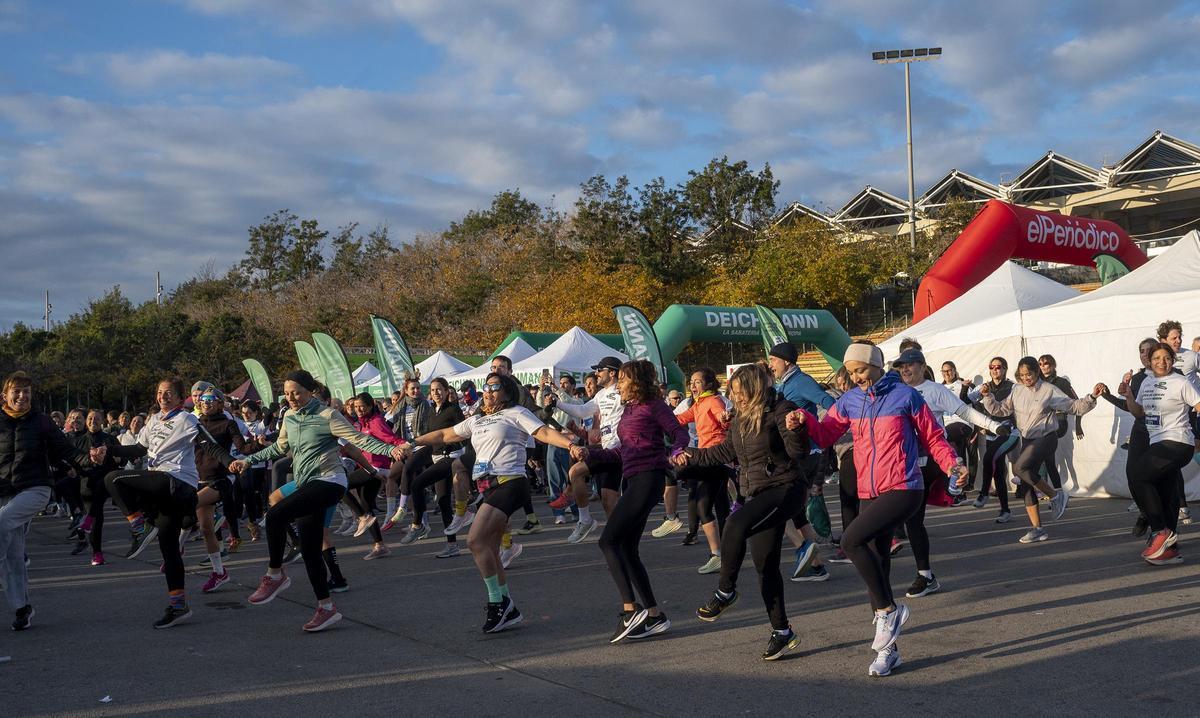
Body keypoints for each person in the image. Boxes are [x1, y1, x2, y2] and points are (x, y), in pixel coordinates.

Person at [786, 343, 968, 677]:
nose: (856, 378)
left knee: (852, 541)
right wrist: (804, 420)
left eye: (861, 370)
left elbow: (933, 437)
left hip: (904, 486)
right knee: (877, 566)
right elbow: (826, 435)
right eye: (851, 372)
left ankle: (889, 610)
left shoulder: (906, 396)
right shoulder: (850, 401)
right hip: (869, 491)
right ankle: (889, 651)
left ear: (877, 366)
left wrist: (952, 462)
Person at [228, 371, 406, 632]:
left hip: (330, 481)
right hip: (306, 485)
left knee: (276, 514)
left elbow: (359, 440)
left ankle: (275, 575)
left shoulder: (327, 415)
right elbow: (279, 448)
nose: (291, 398)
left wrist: (391, 449)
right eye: (287, 393)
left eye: (296, 393)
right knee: (311, 551)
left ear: (310, 391)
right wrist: (249, 460)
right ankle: (326, 607)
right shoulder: (288, 416)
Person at [400, 373, 578, 633]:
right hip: (487, 486)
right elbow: (444, 434)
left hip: (511, 482)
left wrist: (569, 445)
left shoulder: (516, 412)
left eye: (495, 388)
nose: (489, 392)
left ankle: (498, 603)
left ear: (507, 392)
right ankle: (507, 607)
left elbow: (544, 432)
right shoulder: (477, 420)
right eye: (486, 387)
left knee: (475, 541)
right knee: (491, 549)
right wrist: (413, 442)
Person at [680, 364, 810, 660]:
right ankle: (782, 631)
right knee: (766, 565)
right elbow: (725, 452)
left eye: (740, 393)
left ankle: (726, 591)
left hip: (785, 488)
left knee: (735, 524)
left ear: (754, 389)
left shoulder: (780, 409)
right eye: (733, 393)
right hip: (758, 491)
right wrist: (692, 456)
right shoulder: (740, 417)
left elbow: (798, 452)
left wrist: (797, 429)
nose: (735, 398)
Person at [103, 377, 239, 628]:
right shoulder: (153, 420)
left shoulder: (187, 419)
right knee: (169, 549)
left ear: (179, 397)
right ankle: (178, 606)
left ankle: (139, 526)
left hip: (176, 482)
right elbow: (137, 451)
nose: (163, 397)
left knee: (114, 479)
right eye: (159, 392)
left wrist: (230, 461)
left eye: (169, 393)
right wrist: (108, 449)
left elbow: (210, 446)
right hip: (162, 488)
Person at [892, 349, 1008, 595]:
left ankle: (952, 481)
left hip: (933, 457)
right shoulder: (895, 391)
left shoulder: (935, 390)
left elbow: (964, 411)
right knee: (912, 521)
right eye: (901, 366)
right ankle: (926, 575)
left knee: (913, 516)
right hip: (906, 462)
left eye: (910, 365)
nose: (905, 370)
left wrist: (994, 425)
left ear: (923, 367)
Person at [592, 360, 689, 643]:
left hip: (649, 478)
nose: (618, 384)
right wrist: (589, 453)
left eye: (622, 379)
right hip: (634, 478)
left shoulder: (654, 406)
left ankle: (629, 610)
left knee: (608, 541)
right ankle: (655, 615)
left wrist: (679, 449)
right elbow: (622, 453)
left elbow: (678, 432)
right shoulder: (629, 410)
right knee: (627, 548)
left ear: (635, 382)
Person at [0, 371, 92, 630]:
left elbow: (67, 451)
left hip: (35, 489)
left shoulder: (41, 422)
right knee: (13, 555)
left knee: (1, 523)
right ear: (4, 396)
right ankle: (22, 608)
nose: (21, 396)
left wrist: (90, 458)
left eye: (26, 391)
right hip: (4, 493)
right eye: (16, 391)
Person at [978, 356, 1102, 543]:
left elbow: (1074, 406)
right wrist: (988, 396)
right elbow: (1001, 410)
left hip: (1046, 438)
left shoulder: (1049, 390)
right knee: (1026, 484)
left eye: (1029, 374)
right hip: (1027, 439)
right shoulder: (1017, 390)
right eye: (1022, 375)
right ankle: (1037, 529)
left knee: (1019, 469)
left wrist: (1092, 397)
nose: (1026, 378)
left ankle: (1056, 495)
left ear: (1037, 372)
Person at [1124, 342, 1200, 565]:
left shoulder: (1180, 382)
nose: (1161, 362)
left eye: (1166, 358)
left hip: (1177, 442)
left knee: (1138, 475)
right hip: (1158, 442)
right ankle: (1170, 550)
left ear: (1172, 360)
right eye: (1156, 358)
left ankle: (1160, 531)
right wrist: (1129, 395)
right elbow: (1139, 411)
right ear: (1150, 360)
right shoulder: (1147, 382)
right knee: (1165, 492)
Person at [550, 356, 626, 543]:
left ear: (612, 373)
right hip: (605, 447)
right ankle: (618, 539)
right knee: (608, 500)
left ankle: (585, 519)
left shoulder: (624, 391)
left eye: (600, 370)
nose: (597, 373)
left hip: (617, 449)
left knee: (575, 472)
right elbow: (583, 411)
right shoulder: (601, 395)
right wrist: (557, 404)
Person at [663, 368, 730, 574]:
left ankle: (672, 517)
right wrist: (655, 416)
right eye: (691, 382)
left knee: (673, 468)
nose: (692, 385)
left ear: (708, 384)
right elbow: (679, 419)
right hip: (706, 458)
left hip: (714, 458)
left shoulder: (713, 401)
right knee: (704, 507)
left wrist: (725, 417)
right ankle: (717, 555)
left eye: (697, 382)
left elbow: (722, 416)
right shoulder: (698, 403)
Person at [396, 379, 466, 558]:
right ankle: (452, 545)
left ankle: (417, 525)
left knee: (418, 484)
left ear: (446, 390)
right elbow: (429, 437)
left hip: (450, 457)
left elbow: (464, 433)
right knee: (443, 502)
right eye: (433, 390)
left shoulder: (453, 409)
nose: (436, 393)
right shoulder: (431, 411)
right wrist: (411, 447)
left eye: (439, 390)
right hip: (434, 455)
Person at [968, 357, 1020, 523]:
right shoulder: (984, 387)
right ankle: (1005, 510)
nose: (995, 370)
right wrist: (980, 423)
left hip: (1009, 431)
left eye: (999, 367)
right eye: (992, 367)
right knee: (997, 471)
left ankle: (984, 492)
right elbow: (967, 402)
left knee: (991, 458)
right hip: (992, 432)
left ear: (1005, 369)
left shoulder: (1013, 387)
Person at [1036, 354, 1085, 491]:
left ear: (1053, 365)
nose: (1044, 367)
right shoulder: (1037, 382)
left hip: (1059, 422)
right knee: (1047, 457)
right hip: (1042, 423)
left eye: (1046, 364)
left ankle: (1049, 488)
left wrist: (1078, 425)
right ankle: (1050, 489)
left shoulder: (1062, 382)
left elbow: (1078, 402)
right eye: (1040, 364)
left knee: (1044, 451)